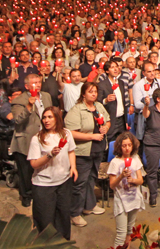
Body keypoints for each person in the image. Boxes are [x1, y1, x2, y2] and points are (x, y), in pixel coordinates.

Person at [65, 82, 110, 227]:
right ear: (83, 94)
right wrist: (92, 136)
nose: (94, 94)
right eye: (90, 92)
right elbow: (70, 132)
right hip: (83, 151)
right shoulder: (77, 110)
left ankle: (89, 206)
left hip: (97, 149)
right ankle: (74, 213)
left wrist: (105, 128)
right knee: (80, 183)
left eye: (95, 92)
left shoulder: (98, 106)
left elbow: (107, 120)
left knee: (92, 179)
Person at [28, 107, 77, 240]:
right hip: (44, 185)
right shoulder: (37, 138)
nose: (46, 120)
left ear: (57, 118)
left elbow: (71, 151)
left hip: (63, 182)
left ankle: (63, 243)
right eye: (44, 117)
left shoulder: (66, 133)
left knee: (63, 216)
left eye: (50, 117)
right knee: (45, 220)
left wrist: (73, 167)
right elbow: (34, 163)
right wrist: (49, 155)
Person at [10, 74, 53, 208]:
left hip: (43, 137)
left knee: (41, 167)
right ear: (27, 86)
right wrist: (29, 106)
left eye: (39, 82)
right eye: (34, 83)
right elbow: (18, 120)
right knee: (26, 170)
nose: (37, 85)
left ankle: (39, 193)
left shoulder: (46, 96)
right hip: (26, 139)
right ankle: (26, 195)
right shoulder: (19, 100)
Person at [108, 132, 145, 248]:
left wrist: (132, 180)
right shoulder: (115, 162)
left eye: (129, 145)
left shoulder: (135, 159)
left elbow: (141, 181)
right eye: (124, 145)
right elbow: (112, 185)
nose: (127, 148)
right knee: (121, 234)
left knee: (130, 230)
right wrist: (121, 176)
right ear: (120, 146)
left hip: (134, 198)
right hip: (121, 202)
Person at [97, 60, 128, 141]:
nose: (115, 69)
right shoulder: (102, 85)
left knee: (122, 143)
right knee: (109, 142)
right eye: (112, 67)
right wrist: (106, 100)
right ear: (107, 71)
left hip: (121, 120)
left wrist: (126, 120)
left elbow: (123, 102)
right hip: (110, 119)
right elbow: (97, 102)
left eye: (116, 67)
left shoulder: (121, 83)